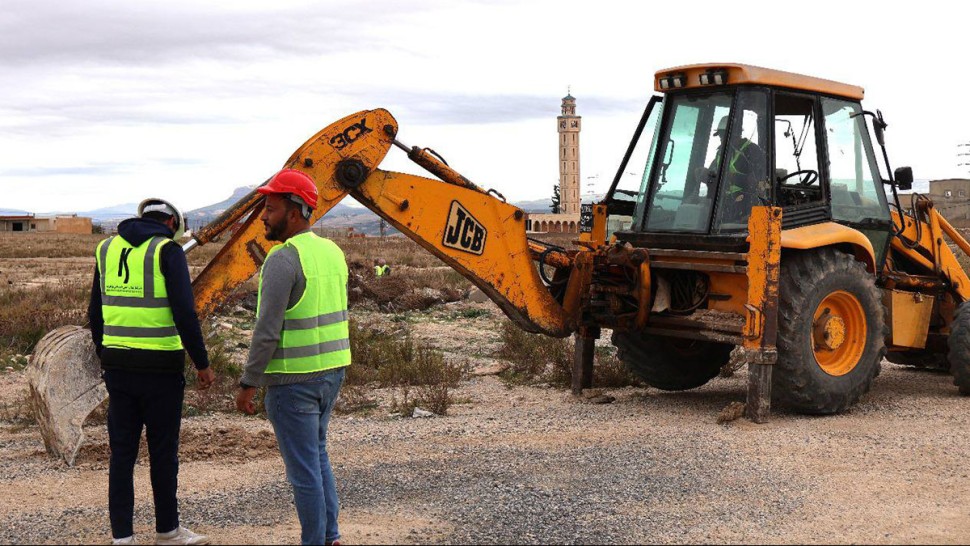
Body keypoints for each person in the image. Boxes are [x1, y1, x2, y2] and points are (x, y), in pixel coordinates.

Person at [88, 198, 215, 546]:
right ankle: (167, 531)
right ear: (171, 222)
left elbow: (95, 312)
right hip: (160, 369)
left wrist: (106, 354)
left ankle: (122, 538)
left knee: (122, 454)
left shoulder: (106, 249)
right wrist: (202, 363)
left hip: (118, 367)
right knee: (162, 452)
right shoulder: (166, 251)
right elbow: (185, 314)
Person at [235, 169, 350, 546]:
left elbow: (266, 331)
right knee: (317, 458)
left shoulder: (283, 259)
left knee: (304, 473)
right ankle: (330, 536)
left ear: (296, 210)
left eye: (270, 208)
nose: (264, 217)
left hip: (292, 380)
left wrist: (248, 383)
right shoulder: (332, 252)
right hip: (331, 372)